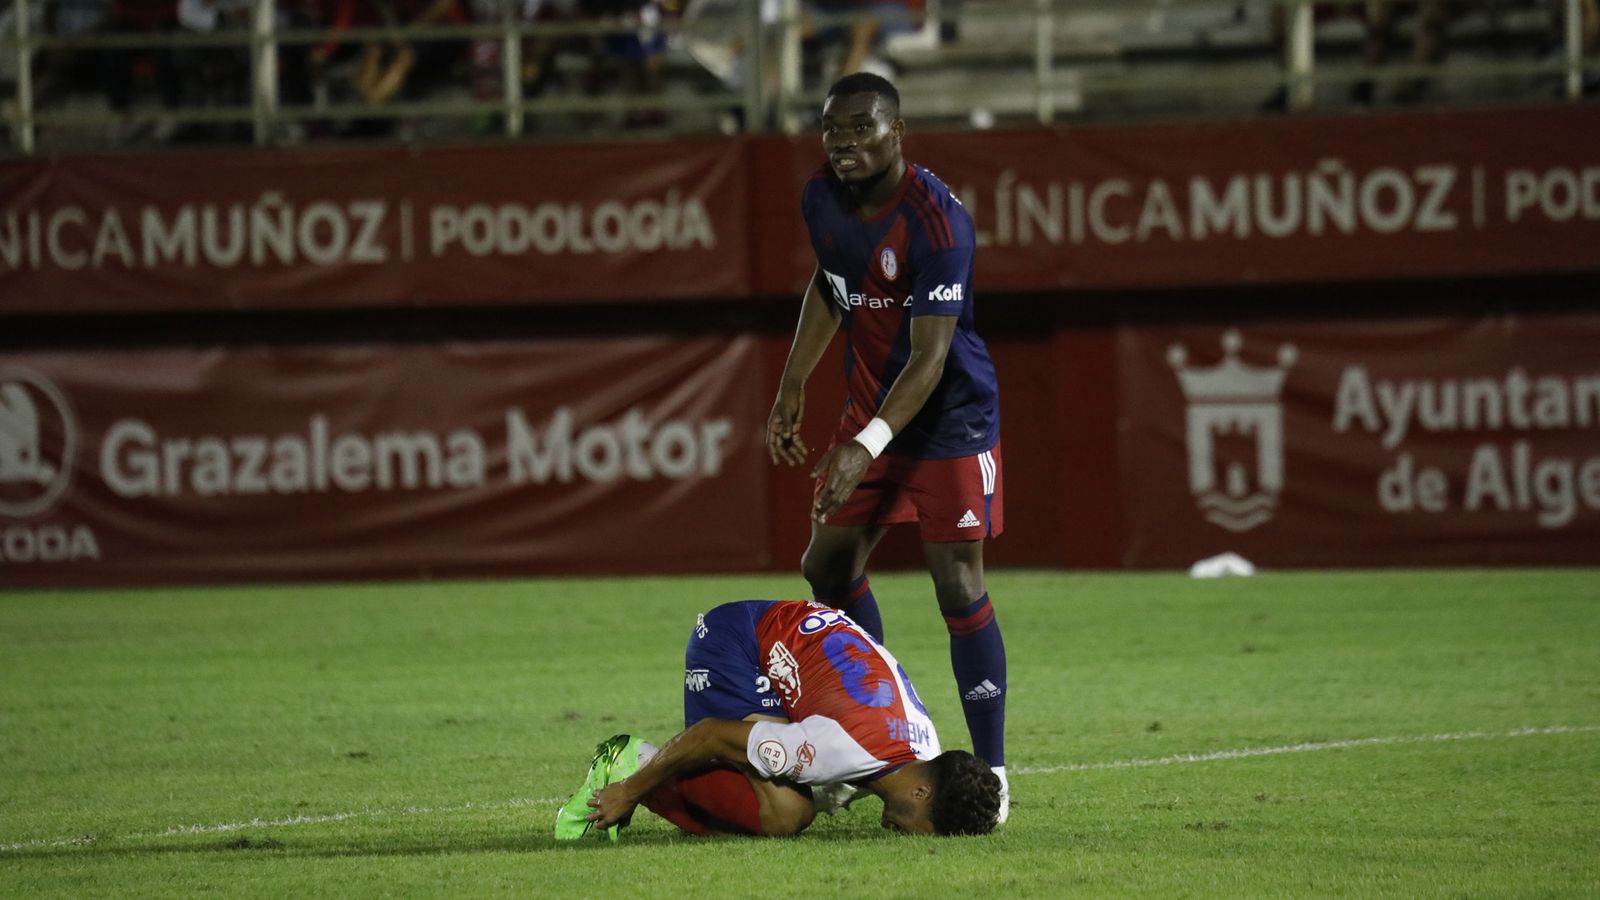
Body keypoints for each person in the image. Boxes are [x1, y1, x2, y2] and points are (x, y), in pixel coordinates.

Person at [765, 72, 1010, 823]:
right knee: (827, 567)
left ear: (897, 131)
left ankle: (992, 777)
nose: (845, 143)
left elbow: (931, 360)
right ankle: (880, 739)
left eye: (863, 128)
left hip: (949, 421)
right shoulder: (821, 198)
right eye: (833, 129)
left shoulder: (937, 223)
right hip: (871, 413)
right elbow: (831, 285)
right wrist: (794, 380)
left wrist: (864, 445)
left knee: (957, 586)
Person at [553, 599, 1002, 838]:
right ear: (922, 792)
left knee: (818, 783)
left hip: (798, 638)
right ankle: (631, 761)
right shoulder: (837, 748)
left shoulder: (923, 745)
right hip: (735, 642)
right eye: (926, 830)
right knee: (787, 812)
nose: (914, 837)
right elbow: (710, 736)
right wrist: (630, 792)